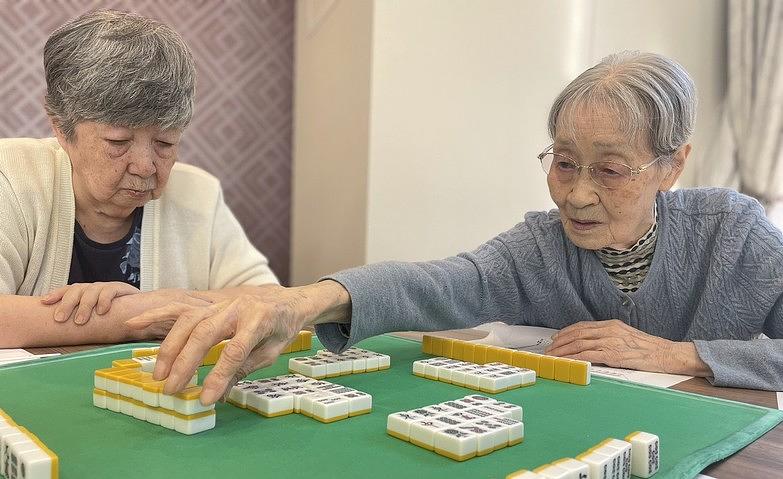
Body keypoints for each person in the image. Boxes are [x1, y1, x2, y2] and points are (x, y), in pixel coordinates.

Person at [128, 51, 783, 405]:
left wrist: (683, 354)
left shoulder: (736, 234)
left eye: (610, 170)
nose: (577, 194)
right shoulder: (538, 245)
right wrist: (299, 301)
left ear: (672, 166)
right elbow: (440, 283)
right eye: (561, 163)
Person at [0, 10, 278, 348]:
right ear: (61, 127)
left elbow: (267, 302)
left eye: (165, 143)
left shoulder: (198, 194)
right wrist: (129, 315)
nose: (146, 167)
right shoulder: (11, 176)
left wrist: (161, 305)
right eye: (118, 142)